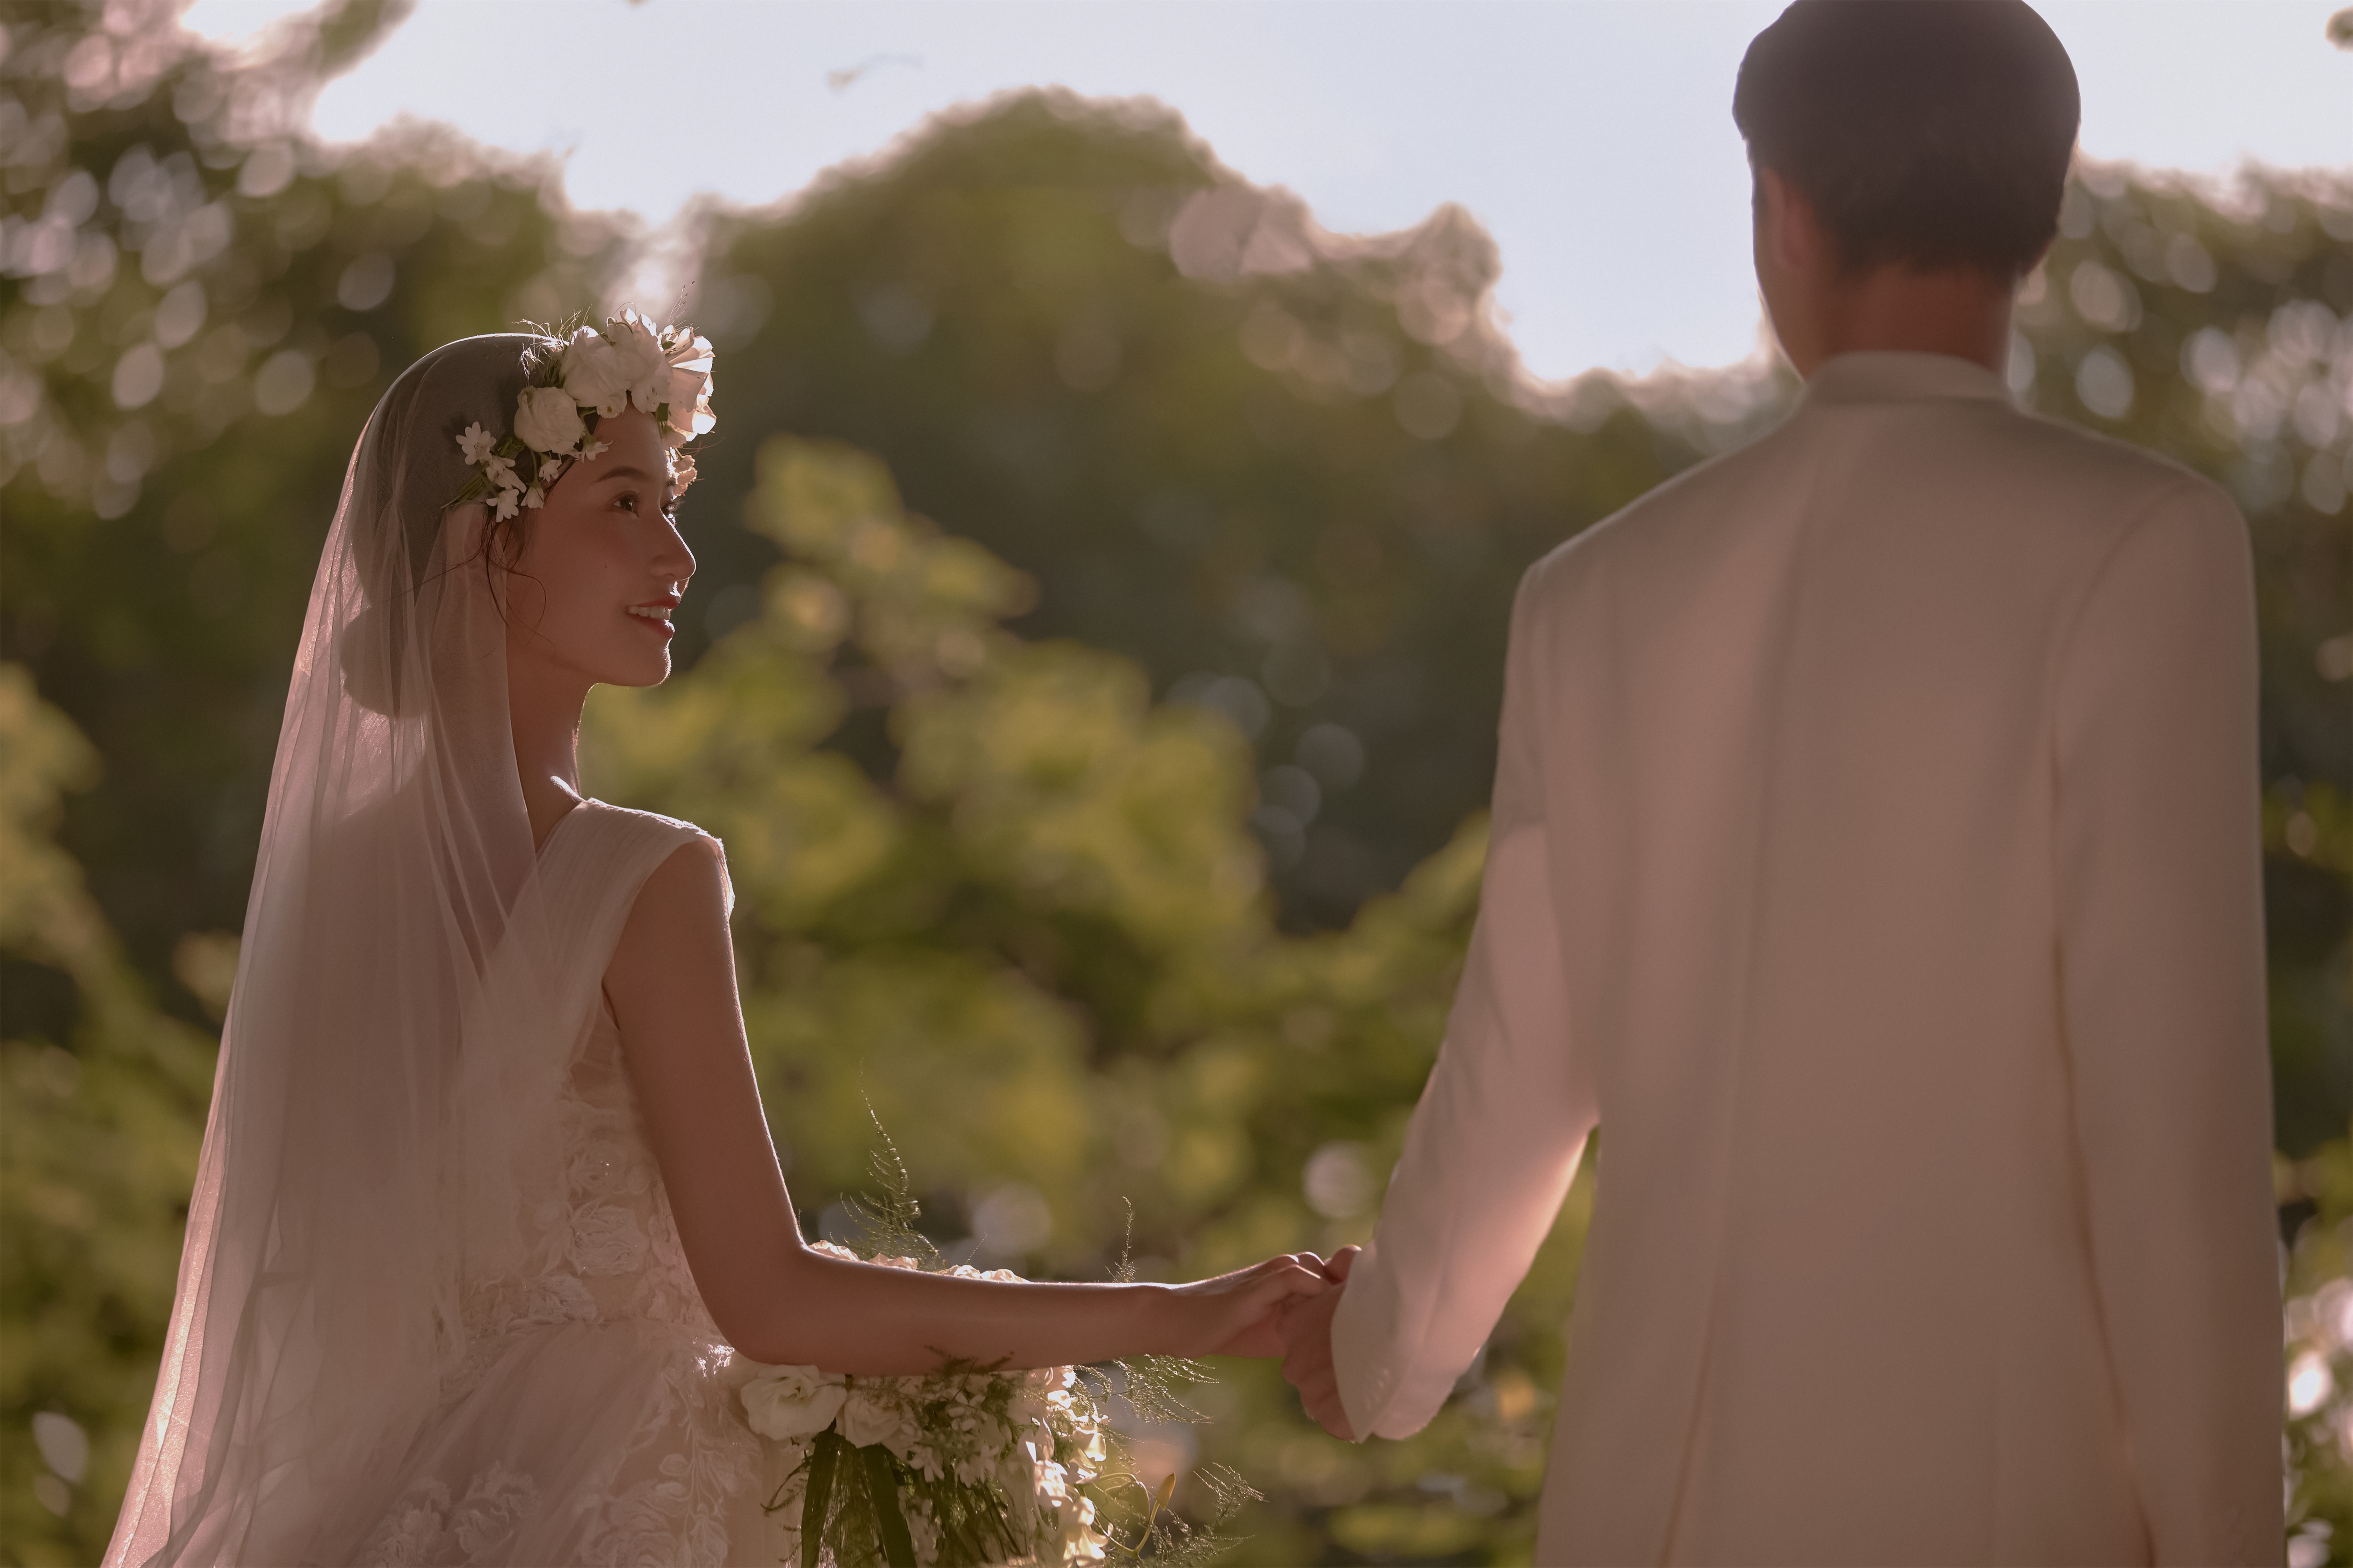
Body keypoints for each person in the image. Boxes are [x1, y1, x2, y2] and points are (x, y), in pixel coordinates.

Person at [1278, 3, 2283, 1563]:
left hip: (1645, 1505)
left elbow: (1519, 1063)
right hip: (2001, 1502)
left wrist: (1377, 1358)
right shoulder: (2142, 549)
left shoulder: (1594, 591)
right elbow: (2176, 1128)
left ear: (1784, 207)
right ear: (2050, 208)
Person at [102, 321, 1331, 1567]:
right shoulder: (641, 875)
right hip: (625, 1506)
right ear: (488, 544)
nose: (678, 554)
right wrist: (1177, 1311)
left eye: (671, 503)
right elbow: (772, 1299)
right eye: (623, 503)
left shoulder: (336, 881)